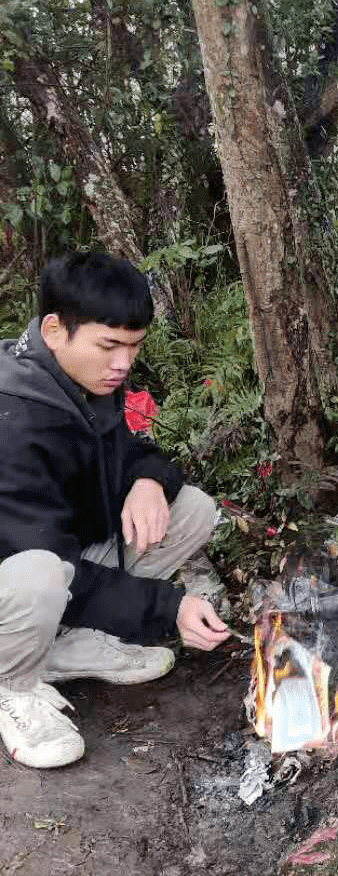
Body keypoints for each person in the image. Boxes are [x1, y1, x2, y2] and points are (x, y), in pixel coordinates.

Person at [0, 250, 230, 768]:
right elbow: (48, 560)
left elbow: (131, 454)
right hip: (21, 575)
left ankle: (62, 647)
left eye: (133, 346)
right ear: (56, 329)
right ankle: (13, 686)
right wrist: (168, 607)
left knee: (189, 509)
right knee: (39, 574)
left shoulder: (82, 379)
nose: (123, 364)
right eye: (109, 346)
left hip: (57, 560)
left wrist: (148, 479)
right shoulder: (11, 418)